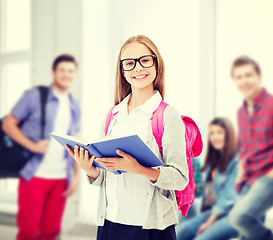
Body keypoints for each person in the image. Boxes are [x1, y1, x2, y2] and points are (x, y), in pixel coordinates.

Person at [66, 35, 189, 240]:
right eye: (130, 63)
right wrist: (90, 169)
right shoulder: (113, 115)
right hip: (110, 222)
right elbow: (105, 177)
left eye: (145, 60)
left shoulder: (168, 115)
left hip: (149, 227)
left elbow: (180, 178)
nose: (138, 68)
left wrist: (138, 169)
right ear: (122, 71)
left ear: (156, 63)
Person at [2, 54, 81, 240]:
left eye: (71, 71)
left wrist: (77, 176)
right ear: (53, 72)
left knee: (50, 233)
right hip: (34, 175)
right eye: (62, 70)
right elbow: (8, 124)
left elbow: (75, 142)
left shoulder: (74, 105)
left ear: (75, 74)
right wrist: (32, 146)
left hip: (61, 178)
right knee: (28, 232)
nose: (66, 75)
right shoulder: (34, 96)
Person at [229, 56, 273, 240]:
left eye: (248, 75)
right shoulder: (241, 112)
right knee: (246, 235)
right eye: (239, 77)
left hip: (267, 178)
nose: (244, 81)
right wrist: (240, 177)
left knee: (239, 218)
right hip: (247, 180)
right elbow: (245, 149)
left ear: (258, 76)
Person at [176, 117, 239, 240]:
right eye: (212, 133)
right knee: (182, 232)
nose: (215, 137)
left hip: (233, 215)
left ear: (229, 135)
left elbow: (227, 199)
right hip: (213, 212)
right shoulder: (212, 162)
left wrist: (208, 224)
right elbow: (207, 195)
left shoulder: (236, 161)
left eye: (219, 132)